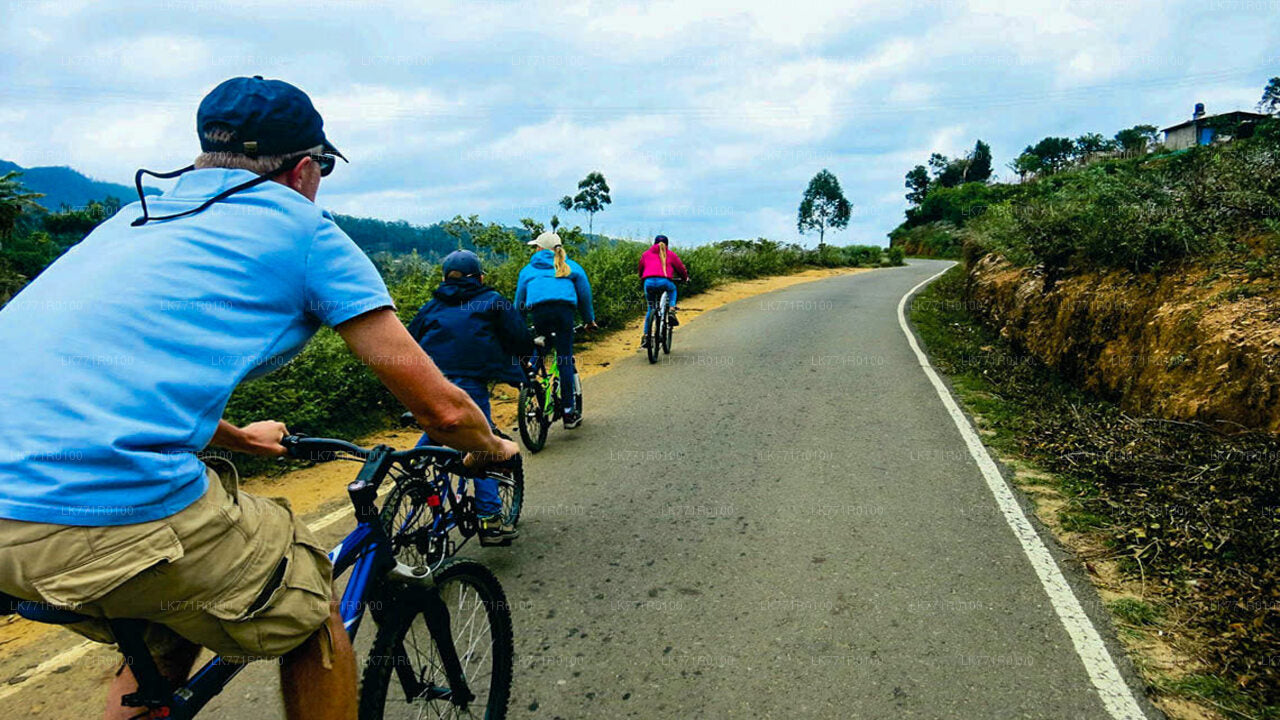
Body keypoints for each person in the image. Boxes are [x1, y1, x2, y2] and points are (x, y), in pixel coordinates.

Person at [0, 76, 517, 720]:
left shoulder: (135, 217)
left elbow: (114, 379)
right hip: (101, 510)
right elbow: (438, 409)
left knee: (164, 627)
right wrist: (491, 446)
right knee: (313, 607)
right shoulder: (306, 232)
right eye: (323, 167)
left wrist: (240, 438)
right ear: (305, 168)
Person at [407, 249, 532, 545]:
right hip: (469, 385)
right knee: (481, 445)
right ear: (480, 277)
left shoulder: (430, 307)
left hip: (428, 382)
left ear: (444, 278)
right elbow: (519, 339)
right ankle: (489, 519)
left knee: (437, 429)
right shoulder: (493, 302)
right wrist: (522, 362)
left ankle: (414, 475)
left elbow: (409, 340)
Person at [515, 231, 596, 429]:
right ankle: (569, 412)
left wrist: (518, 327)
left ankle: (530, 377)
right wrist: (589, 321)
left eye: (536, 246)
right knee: (564, 359)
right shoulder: (572, 266)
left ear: (541, 248)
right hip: (564, 314)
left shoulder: (527, 270)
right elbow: (585, 296)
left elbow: (520, 303)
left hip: (540, 314)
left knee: (541, 347)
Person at [638, 234, 689, 346]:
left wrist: (643, 278)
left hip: (648, 282)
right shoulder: (670, 254)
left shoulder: (645, 254)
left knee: (650, 308)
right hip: (664, 282)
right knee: (672, 289)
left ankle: (647, 337)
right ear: (667, 244)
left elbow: (640, 269)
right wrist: (685, 278)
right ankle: (671, 309)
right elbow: (680, 268)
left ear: (654, 243)